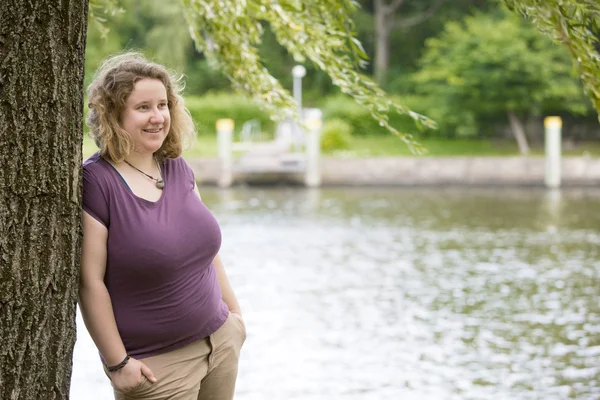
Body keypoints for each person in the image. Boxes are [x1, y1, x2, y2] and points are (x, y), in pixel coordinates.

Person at [79, 52, 246, 400]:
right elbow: (90, 282)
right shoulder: (97, 181)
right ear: (113, 114)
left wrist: (234, 317)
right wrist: (117, 364)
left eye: (163, 105)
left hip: (219, 343)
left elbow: (206, 252)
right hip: (158, 369)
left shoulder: (177, 167)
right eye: (143, 107)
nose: (158, 117)